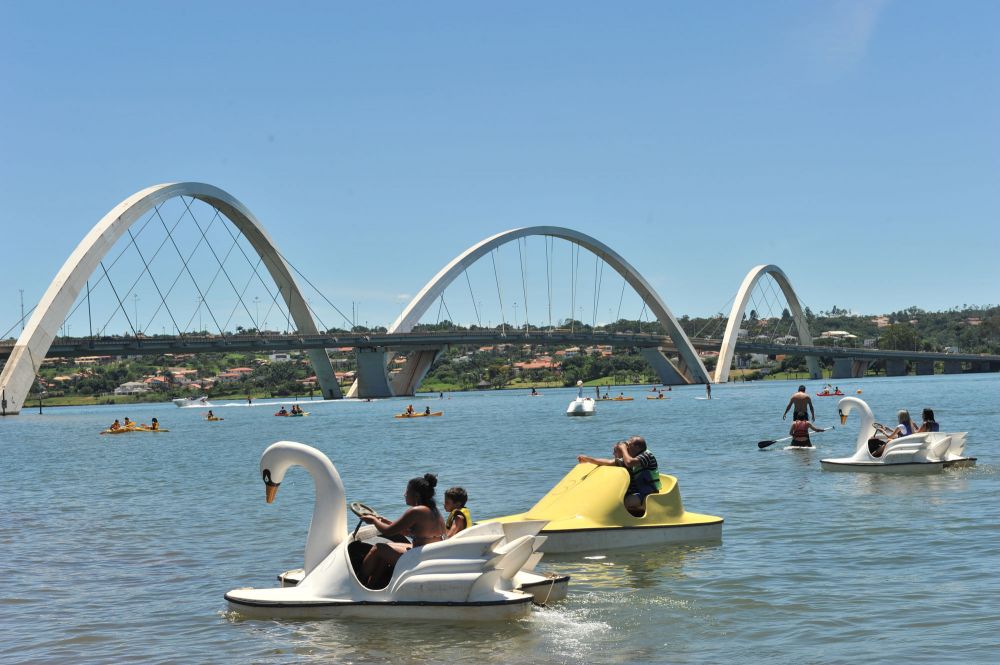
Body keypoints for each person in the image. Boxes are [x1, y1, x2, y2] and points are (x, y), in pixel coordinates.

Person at [360, 473, 447, 588]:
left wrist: (374, 521)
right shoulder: (433, 510)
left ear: (416, 495)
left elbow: (388, 532)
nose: (404, 494)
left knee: (378, 548)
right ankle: (372, 585)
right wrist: (385, 521)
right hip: (429, 554)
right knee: (387, 548)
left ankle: (358, 583)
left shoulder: (416, 511)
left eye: (407, 491)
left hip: (420, 559)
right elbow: (406, 531)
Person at [577, 436, 660, 516]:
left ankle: (631, 518)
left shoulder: (647, 455)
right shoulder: (632, 459)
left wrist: (623, 449)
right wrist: (588, 459)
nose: (627, 447)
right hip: (641, 492)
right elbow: (609, 462)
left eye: (629, 445)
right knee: (612, 502)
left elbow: (629, 463)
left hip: (650, 494)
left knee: (621, 504)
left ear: (637, 447)